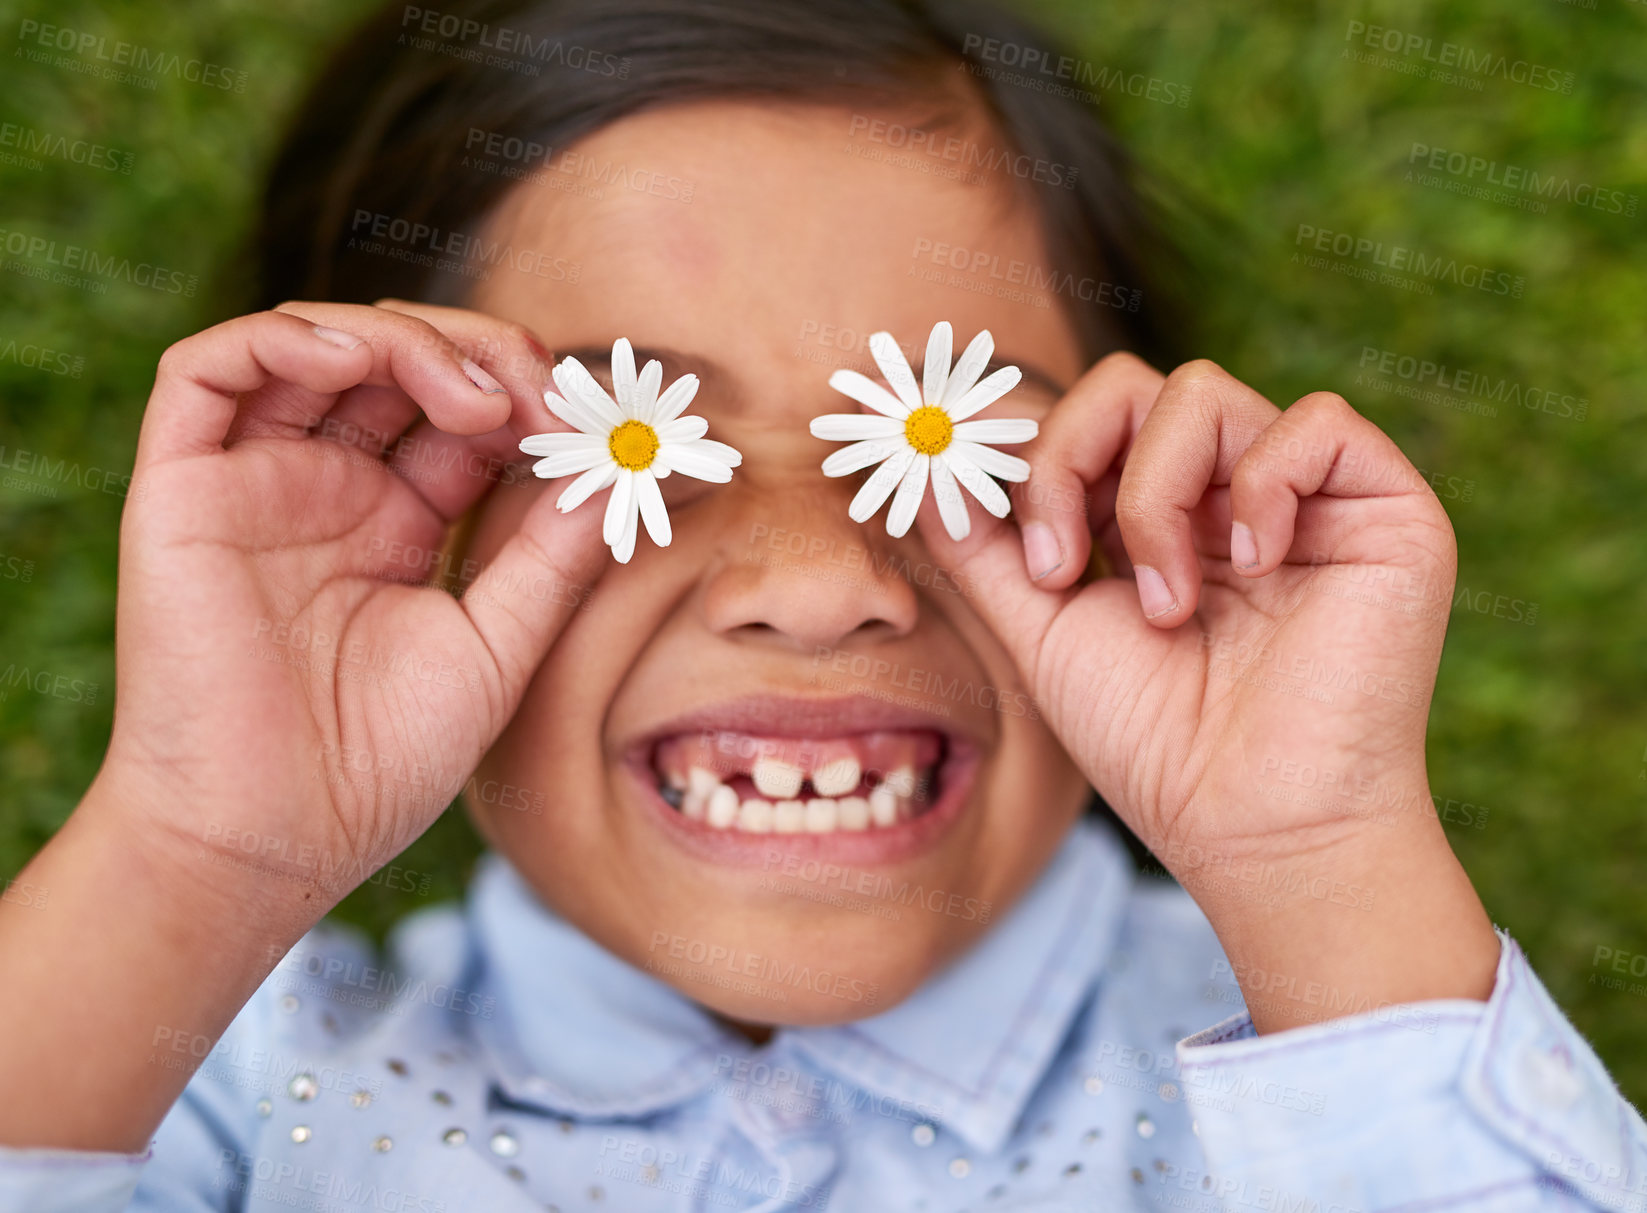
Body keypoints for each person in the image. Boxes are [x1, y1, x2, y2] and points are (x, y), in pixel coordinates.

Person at [1, 0, 1641, 1209]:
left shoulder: (1338, 1057)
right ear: (375, 505)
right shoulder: (207, 1080)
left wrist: (1320, 862)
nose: (818, 584)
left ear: (1143, 488)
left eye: (957, 442)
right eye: (611, 441)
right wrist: (196, 847)